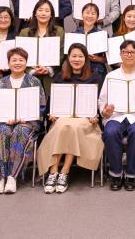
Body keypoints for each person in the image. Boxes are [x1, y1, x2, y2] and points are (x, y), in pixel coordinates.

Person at [38, 43, 104, 194]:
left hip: (86, 122)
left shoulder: (95, 78)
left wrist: (96, 115)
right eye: (74, 56)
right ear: (68, 58)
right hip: (62, 119)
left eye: (80, 56)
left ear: (86, 59)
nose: (77, 59)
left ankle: (64, 171)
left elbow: (100, 103)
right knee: (64, 125)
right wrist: (51, 113)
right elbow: (51, 104)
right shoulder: (59, 77)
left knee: (72, 127)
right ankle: (54, 170)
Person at [99, 40, 135, 191]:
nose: (129, 55)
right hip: (116, 116)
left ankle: (131, 174)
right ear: (120, 54)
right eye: (126, 52)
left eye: (133, 52)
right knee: (110, 132)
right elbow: (102, 101)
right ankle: (116, 173)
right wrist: (104, 111)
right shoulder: (111, 76)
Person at [0, 47, 46, 195]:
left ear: (26, 63)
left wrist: (27, 117)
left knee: (20, 131)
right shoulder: (0, 83)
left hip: (27, 122)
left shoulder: (34, 82)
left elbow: (41, 106)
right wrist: (4, 118)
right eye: (14, 60)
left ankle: (12, 176)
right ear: (8, 63)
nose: (17, 63)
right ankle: (0, 176)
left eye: (21, 60)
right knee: (2, 131)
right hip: (5, 121)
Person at [18, 0, 65, 94]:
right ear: (35, 13)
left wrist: (49, 69)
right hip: (29, 78)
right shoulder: (24, 32)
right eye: (40, 10)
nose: (43, 13)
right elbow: (20, 55)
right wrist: (31, 71)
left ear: (51, 15)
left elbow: (62, 53)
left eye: (47, 11)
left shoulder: (59, 31)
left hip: (52, 77)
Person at [74, 3, 108, 81]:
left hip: (97, 71)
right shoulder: (74, 35)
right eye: (87, 13)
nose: (90, 16)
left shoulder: (103, 35)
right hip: (78, 71)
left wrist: (98, 59)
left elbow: (108, 59)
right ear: (82, 15)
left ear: (97, 17)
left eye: (93, 14)